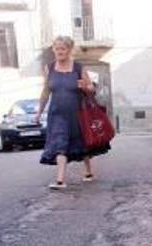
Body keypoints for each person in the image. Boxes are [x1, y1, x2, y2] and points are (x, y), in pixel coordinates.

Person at [36, 36, 109, 189]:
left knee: (82, 143)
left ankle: (88, 171)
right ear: (53, 50)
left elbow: (92, 89)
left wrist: (85, 87)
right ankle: (60, 180)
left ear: (69, 50)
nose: (59, 52)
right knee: (60, 143)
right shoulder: (49, 68)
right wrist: (39, 112)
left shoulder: (78, 68)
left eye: (63, 49)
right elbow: (45, 92)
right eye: (57, 49)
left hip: (77, 113)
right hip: (56, 114)